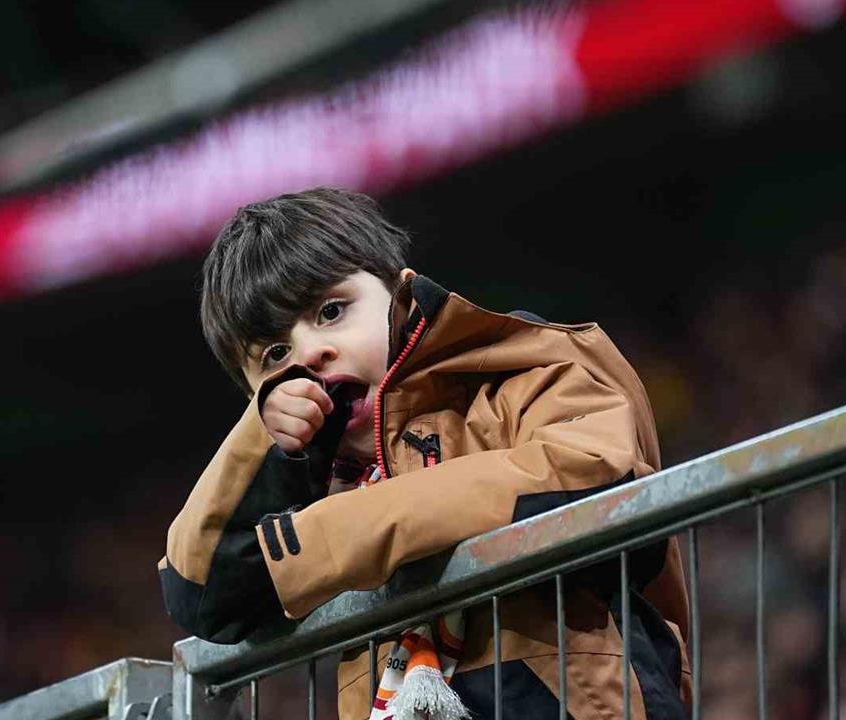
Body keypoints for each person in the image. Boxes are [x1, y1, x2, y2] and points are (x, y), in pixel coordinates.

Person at [160, 187, 691, 719]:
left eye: (331, 311)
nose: (310, 354)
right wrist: (259, 435)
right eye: (275, 355)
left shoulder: (531, 369)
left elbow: (597, 477)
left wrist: (339, 533)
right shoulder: (322, 493)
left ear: (401, 291)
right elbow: (202, 594)